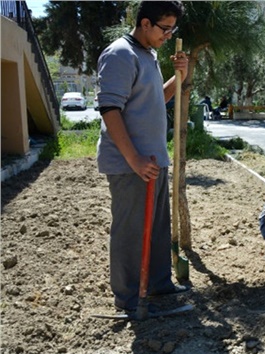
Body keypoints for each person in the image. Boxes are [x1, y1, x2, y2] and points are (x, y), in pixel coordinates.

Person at [96, 1, 189, 313]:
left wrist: (180, 76)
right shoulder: (119, 54)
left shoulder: (147, 55)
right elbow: (110, 110)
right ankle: (129, 298)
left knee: (157, 229)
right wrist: (134, 159)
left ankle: (158, 287)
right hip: (131, 164)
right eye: (165, 28)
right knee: (132, 232)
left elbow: (155, 99)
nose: (168, 35)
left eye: (172, 29)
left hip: (152, 160)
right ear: (145, 23)